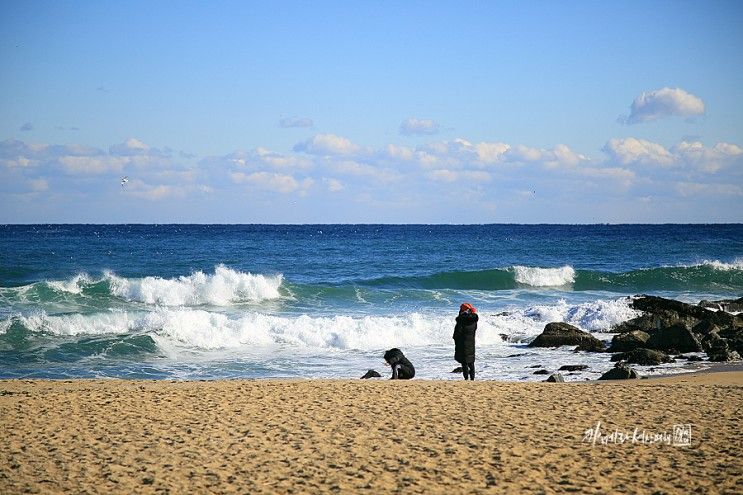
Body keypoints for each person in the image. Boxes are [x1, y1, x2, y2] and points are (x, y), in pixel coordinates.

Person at [453, 302, 478, 380]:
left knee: (464, 363)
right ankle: (472, 379)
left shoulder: (461, 320)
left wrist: (455, 339)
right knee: (471, 362)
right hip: (471, 343)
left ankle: (466, 379)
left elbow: (457, 333)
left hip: (462, 343)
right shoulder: (474, 320)